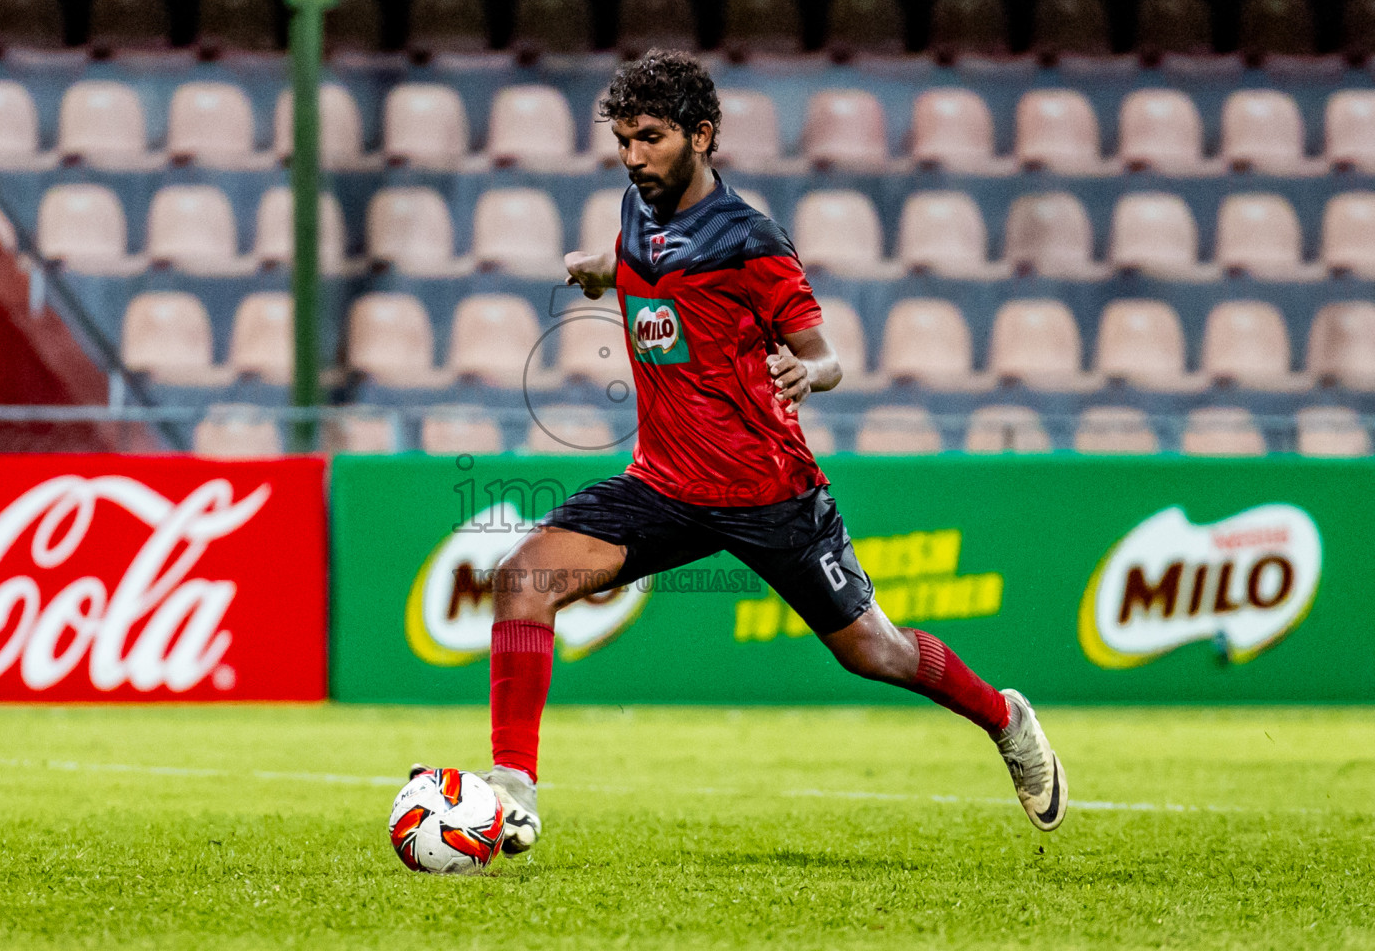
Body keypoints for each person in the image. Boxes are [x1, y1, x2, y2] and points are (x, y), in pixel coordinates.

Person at [445, 50, 1067, 854]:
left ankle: (1005, 719)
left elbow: (829, 356)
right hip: (662, 484)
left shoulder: (751, 241)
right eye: (625, 139)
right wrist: (599, 271)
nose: (634, 156)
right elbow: (640, 263)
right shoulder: (638, 212)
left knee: (874, 652)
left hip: (768, 492)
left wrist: (803, 371)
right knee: (523, 582)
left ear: (701, 135)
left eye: (652, 138)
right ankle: (512, 791)